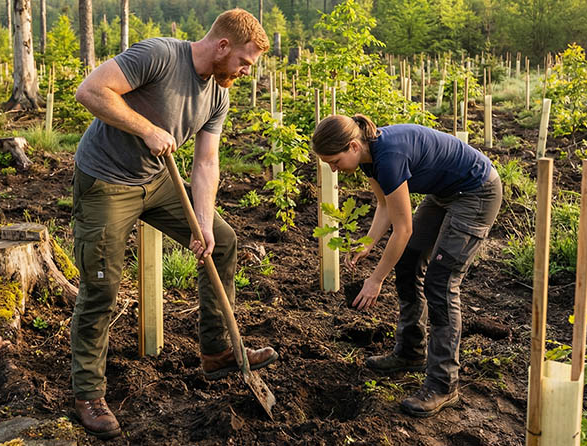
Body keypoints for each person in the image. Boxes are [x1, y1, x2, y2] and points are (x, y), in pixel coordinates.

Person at [70, 9, 278, 438]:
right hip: (107, 180)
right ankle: (88, 393)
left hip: (158, 181)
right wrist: (146, 128)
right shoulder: (159, 55)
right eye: (244, 62)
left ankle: (217, 351)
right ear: (222, 46)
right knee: (102, 285)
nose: (245, 71)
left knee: (222, 241)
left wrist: (202, 223)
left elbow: (206, 163)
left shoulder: (217, 94)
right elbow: (89, 90)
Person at [311, 114, 502, 417]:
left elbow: (403, 230)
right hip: (445, 193)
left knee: (440, 282)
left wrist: (376, 279)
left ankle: (443, 384)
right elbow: (385, 206)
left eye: (334, 161)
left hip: (477, 191)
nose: (333, 169)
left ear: (353, 146)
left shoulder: (389, 157)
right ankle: (411, 352)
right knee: (408, 263)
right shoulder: (369, 157)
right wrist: (368, 243)